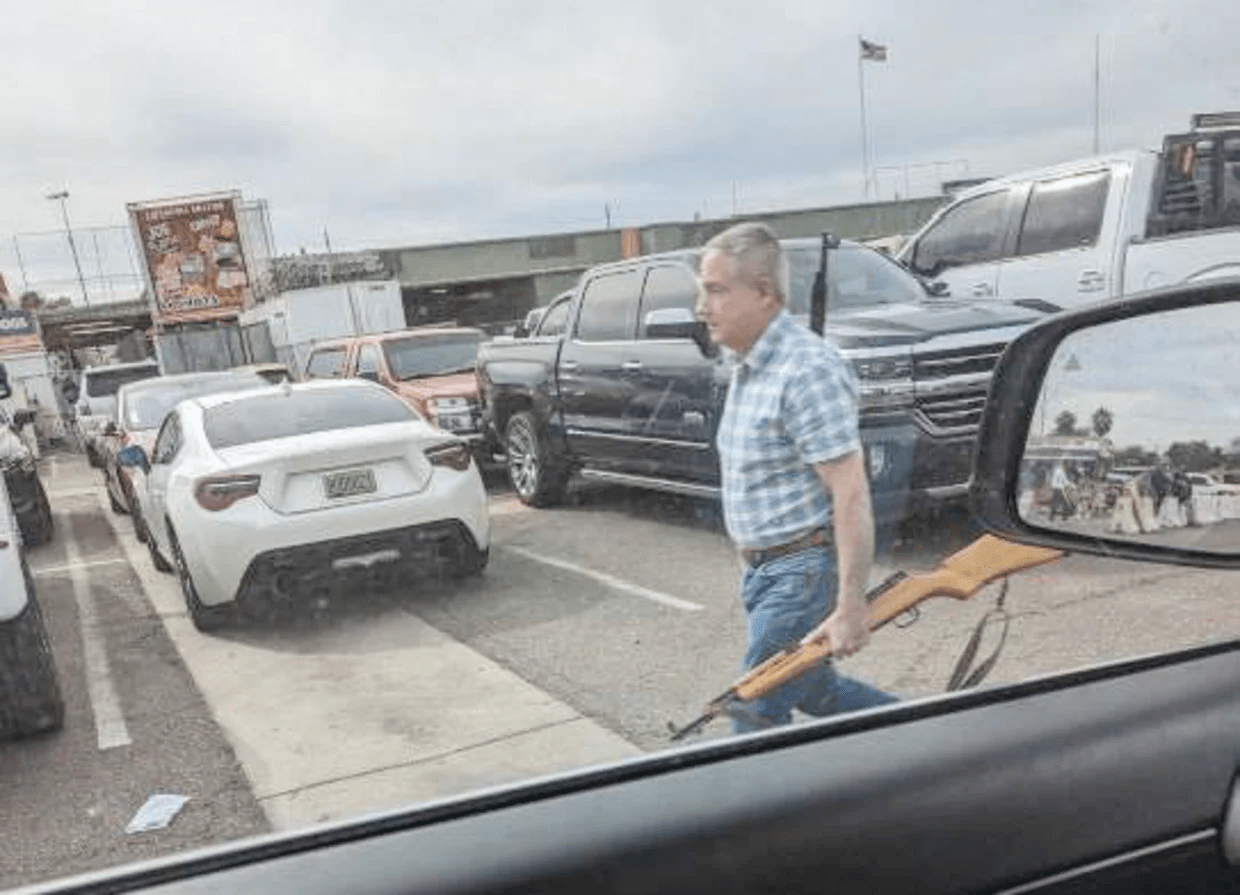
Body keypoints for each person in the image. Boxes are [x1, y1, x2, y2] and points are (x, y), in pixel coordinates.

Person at [695, 222, 897, 733]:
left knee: (754, 710)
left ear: (763, 292)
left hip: (799, 574)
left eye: (716, 290)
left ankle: (746, 809)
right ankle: (936, 737)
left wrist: (852, 604)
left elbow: (850, 492)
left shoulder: (805, 370)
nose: (702, 306)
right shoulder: (747, 365)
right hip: (766, 575)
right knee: (818, 692)